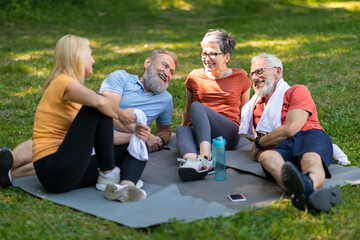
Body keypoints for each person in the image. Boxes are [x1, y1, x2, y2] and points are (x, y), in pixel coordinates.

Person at [0, 49, 178, 190]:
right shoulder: (121, 77)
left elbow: (165, 130)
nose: (167, 73)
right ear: (148, 63)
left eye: (171, 72)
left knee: (60, 155)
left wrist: (158, 139)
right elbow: (106, 108)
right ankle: (9, 161)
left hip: (118, 144)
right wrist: (134, 130)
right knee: (54, 139)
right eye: (164, 66)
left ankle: (10, 174)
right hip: (95, 128)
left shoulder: (166, 99)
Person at [23, 34, 152, 203]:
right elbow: (99, 102)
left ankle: (125, 186)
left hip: (70, 172)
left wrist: (135, 136)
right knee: (99, 104)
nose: (93, 61)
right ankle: (109, 174)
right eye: (90, 55)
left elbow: (103, 139)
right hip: (53, 170)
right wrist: (121, 114)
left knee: (137, 144)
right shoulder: (62, 82)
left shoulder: (74, 93)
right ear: (78, 57)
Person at [239, 53, 341, 211]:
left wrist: (260, 143)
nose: (254, 77)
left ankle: (306, 186)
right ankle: (310, 192)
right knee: (267, 156)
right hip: (280, 148)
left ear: (278, 71)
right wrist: (259, 150)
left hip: (308, 134)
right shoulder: (254, 108)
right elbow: (257, 152)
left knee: (311, 158)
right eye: (251, 74)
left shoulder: (297, 91)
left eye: (260, 71)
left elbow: (292, 128)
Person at [176, 29, 251, 182]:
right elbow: (187, 109)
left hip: (227, 134)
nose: (207, 58)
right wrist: (184, 130)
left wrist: (256, 137)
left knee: (198, 107)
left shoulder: (241, 76)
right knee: (181, 129)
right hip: (201, 132)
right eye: (204, 53)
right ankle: (191, 162)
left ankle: (205, 158)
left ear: (226, 57)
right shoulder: (194, 76)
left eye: (213, 54)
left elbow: (247, 110)